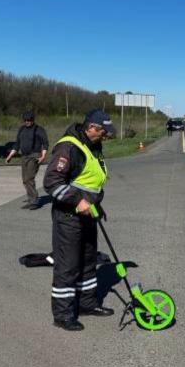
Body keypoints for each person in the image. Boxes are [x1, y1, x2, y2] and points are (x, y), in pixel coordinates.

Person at [43, 109, 117, 331]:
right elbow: (52, 183)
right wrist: (78, 202)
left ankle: (87, 304)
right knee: (68, 266)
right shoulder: (69, 147)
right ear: (91, 127)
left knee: (87, 261)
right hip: (68, 216)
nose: (106, 136)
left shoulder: (94, 146)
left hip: (88, 214)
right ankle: (63, 315)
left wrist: (96, 205)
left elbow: (88, 181)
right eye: (103, 132)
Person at [5, 111, 49, 209]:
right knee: (25, 180)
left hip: (35, 156)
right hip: (24, 156)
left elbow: (45, 143)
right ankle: (31, 199)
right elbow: (17, 144)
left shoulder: (39, 129)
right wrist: (10, 155)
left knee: (29, 178)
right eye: (25, 120)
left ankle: (34, 201)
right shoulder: (22, 129)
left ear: (33, 120)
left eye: (29, 120)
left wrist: (43, 156)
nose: (27, 122)